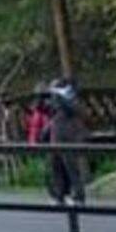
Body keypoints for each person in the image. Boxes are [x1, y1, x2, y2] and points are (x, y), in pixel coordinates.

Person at [45, 78, 88, 207]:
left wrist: (61, 96)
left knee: (71, 168)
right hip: (57, 138)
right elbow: (48, 112)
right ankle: (60, 195)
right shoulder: (56, 102)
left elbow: (73, 110)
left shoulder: (69, 97)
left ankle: (79, 197)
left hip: (68, 138)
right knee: (56, 167)